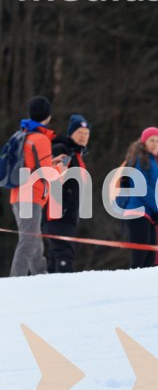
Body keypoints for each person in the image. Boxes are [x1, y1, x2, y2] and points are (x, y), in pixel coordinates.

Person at [8, 96, 67, 277]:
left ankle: (40, 275)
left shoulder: (22, 135)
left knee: (34, 238)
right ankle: (14, 281)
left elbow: (33, 164)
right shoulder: (40, 139)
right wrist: (60, 169)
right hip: (31, 195)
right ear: (47, 116)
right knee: (28, 241)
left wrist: (51, 162)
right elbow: (45, 172)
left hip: (18, 194)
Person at [43, 114, 90, 273]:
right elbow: (53, 177)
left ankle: (50, 289)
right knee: (65, 255)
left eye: (86, 133)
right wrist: (62, 205)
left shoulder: (76, 153)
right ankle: (63, 292)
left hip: (68, 213)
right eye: (79, 133)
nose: (83, 137)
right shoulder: (62, 149)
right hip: (59, 213)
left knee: (56, 256)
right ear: (71, 134)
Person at [119, 127, 158, 269]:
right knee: (140, 257)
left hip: (148, 212)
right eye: (151, 140)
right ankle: (132, 287)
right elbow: (142, 187)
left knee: (150, 258)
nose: (155, 144)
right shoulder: (140, 159)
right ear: (144, 141)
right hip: (137, 211)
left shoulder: (154, 160)